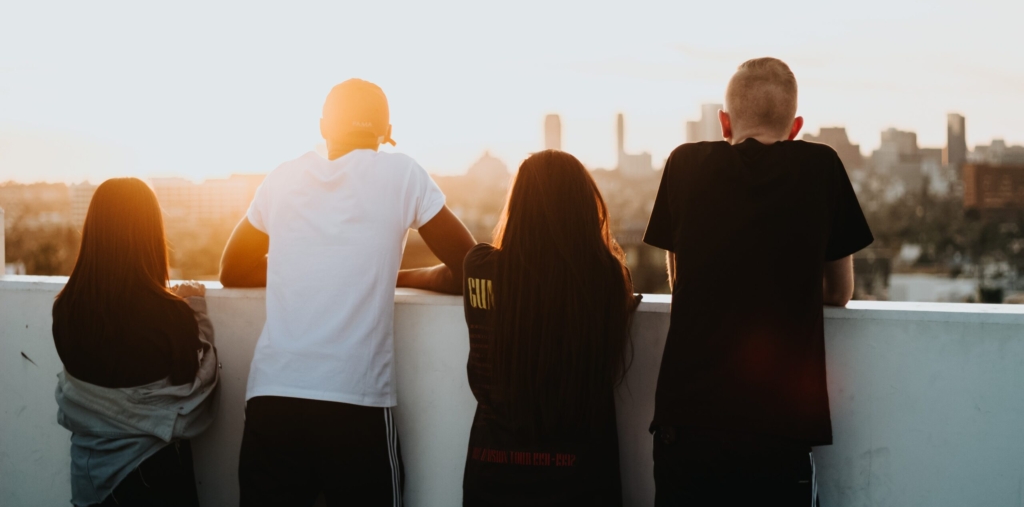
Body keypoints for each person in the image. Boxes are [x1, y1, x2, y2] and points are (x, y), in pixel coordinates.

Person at [221, 78, 477, 506]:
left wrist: (305, 266)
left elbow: (232, 270)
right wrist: (393, 275)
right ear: (386, 130)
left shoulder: (283, 177)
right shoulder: (402, 174)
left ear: (324, 126)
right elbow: (473, 269)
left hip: (274, 398)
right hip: (354, 404)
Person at [643, 58, 874, 506]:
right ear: (796, 127)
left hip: (688, 423)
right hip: (778, 429)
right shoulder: (821, 166)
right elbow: (839, 293)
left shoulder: (684, 164)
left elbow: (680, 280)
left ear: (724, 121)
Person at [460, 150, 640, 506]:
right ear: (584, 207)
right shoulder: (606, 278)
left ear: (518, 205)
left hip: (493, 478)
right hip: (581, 481)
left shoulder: (479, 267)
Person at [52, 177, 219, 507]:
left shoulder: (65, 308)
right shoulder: (169, 314)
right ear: (150, 234)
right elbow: (193, 388)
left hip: (87, 478)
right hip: (151, 477)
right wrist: (196, 311)